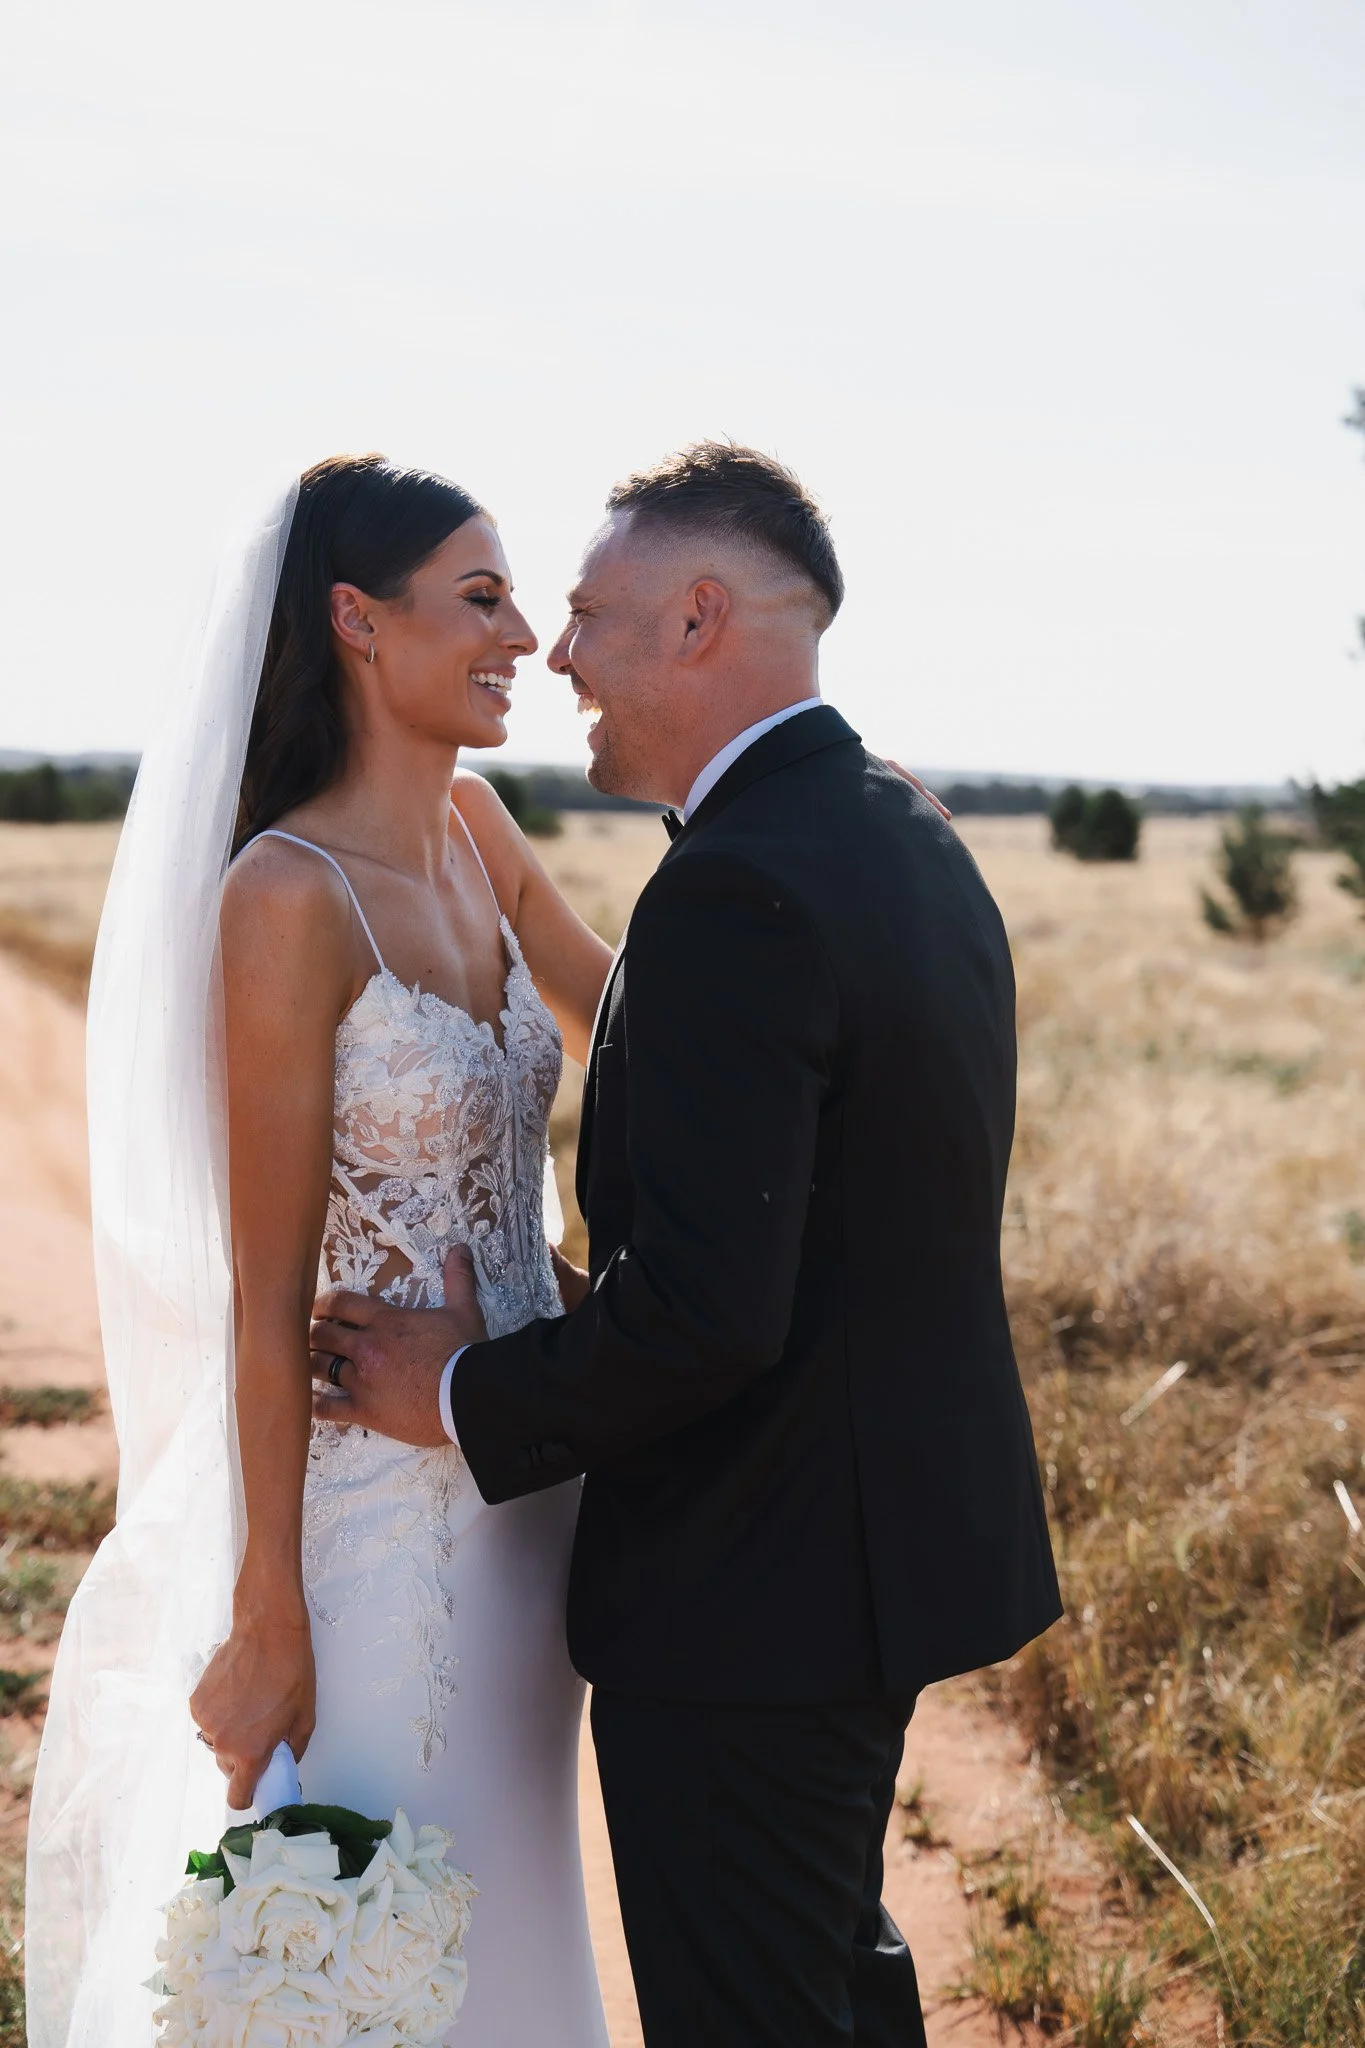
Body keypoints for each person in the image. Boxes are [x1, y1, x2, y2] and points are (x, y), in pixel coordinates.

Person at [311, 441, 1063, 2047]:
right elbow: (793, 1185)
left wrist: (462, 1389)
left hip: (756, 1585)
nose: (559, 653)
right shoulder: (895, 829)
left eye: (588, 614)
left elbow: (716, 1313)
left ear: (699, 618)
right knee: (823, 1975)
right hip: (871, 1556)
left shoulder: (740, 889)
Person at [28, 455, 617, 2048]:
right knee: (380, 1949)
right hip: (380, 1547)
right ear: (358, 621)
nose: (521, 634)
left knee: (515, 1923)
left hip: (531, 1503)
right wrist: (271, 1605)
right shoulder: (284, 898)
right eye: (480, 596)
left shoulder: (483, 834)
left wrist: (840, 881)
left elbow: (634, 1025)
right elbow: (264, 1291)